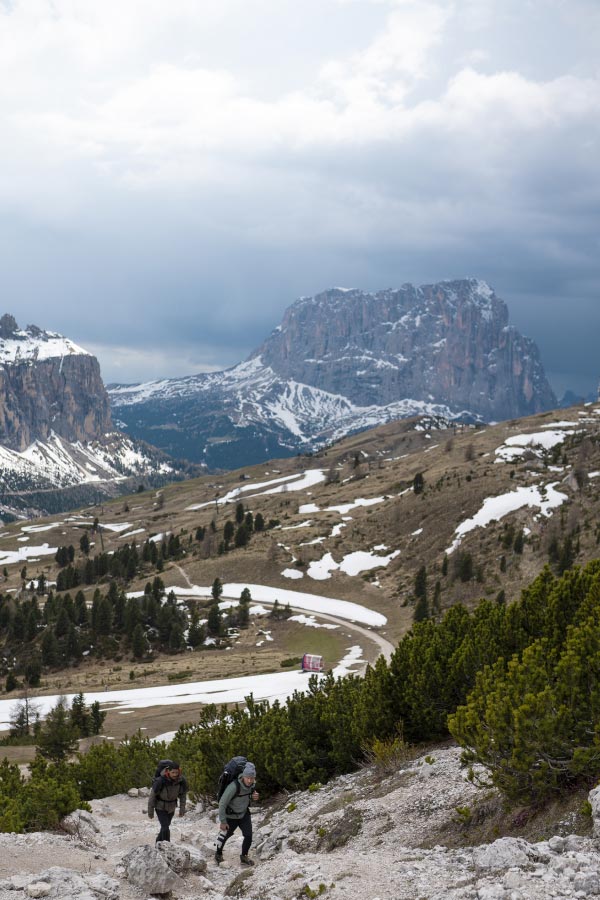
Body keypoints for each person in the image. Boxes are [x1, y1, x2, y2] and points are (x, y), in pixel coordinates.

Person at [215, 760, 259, 866]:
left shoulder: (252, 785)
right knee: (225, 835)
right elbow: (222, 804)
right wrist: (223, 821)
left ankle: (244, 856)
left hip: (244, 814)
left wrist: (253, 797)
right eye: (247, 778)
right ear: (243, 776)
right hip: (231, 815)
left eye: (252, 778)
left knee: (248, 836)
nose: (249, 780)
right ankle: (218, 854)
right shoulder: (234, 786)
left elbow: (247, 796)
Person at [148, 761, 187, 843]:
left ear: (179, 771)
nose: (175, 775)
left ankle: (158, 843)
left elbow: (183, 796)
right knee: (165, 827)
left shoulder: (181, 781)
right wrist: (150, 811)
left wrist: (182, 809)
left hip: (171, 807)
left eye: (176, 772)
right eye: (173, 772)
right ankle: (168, 847)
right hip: (160, 807)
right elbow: (152, 796)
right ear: (168, 771)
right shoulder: (160, 781)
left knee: (164, 827)